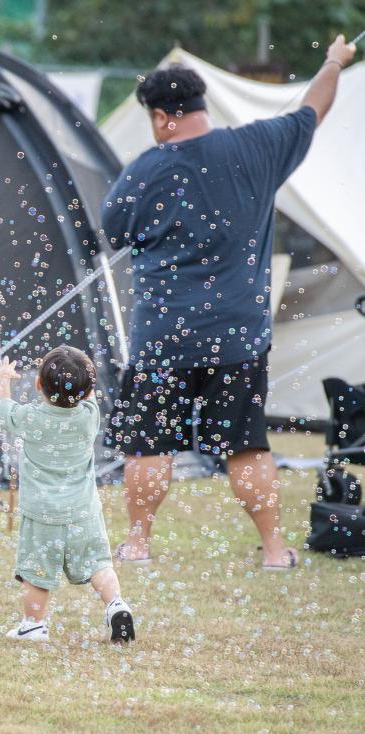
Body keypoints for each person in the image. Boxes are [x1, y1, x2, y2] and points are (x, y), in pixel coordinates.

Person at [100, 35, 358, 571]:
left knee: (148, 445)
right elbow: (316, 105)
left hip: (162, 337)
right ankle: (272, 551)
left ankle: (138, 545)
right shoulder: (260, 145)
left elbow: (112, 230)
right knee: (247, 445)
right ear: (201, 106)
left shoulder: (143, 171)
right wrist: (334, 60)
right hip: (237, 335)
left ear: (163, 117)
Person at [0, 347, 135, 643]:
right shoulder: (89, 416)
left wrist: (3, 378)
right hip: (84, 511)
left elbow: (2, 409)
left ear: (38, 385)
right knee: (99, 564)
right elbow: (88, 390)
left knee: (36, 572)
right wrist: (85, 376)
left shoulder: (30, 418)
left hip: (42, 514)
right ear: (87, 392)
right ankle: (116, 605)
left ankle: (33, 625)